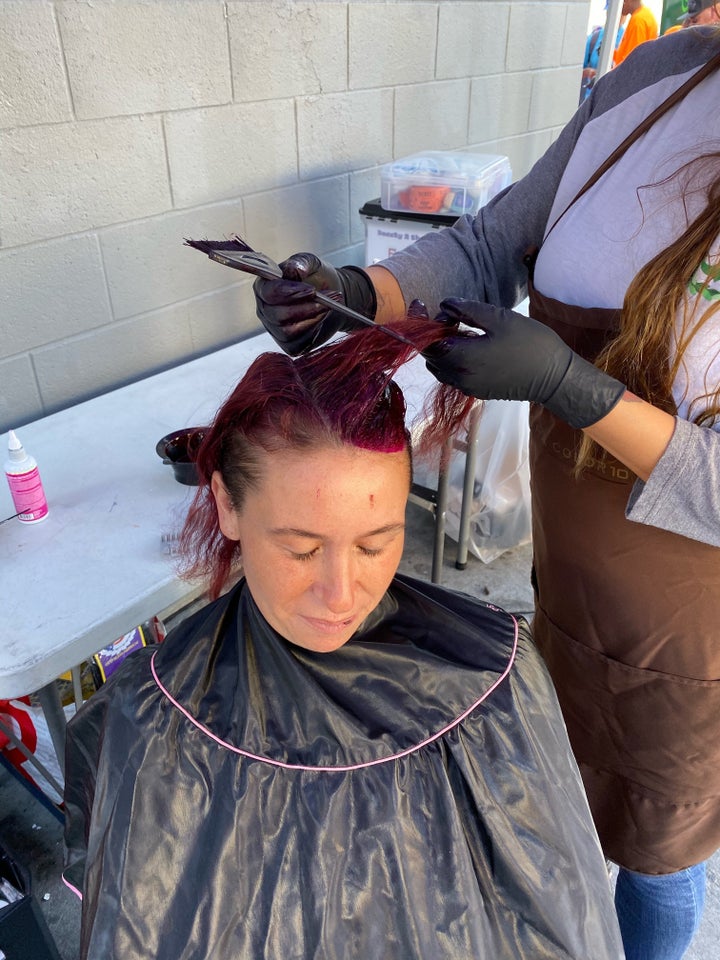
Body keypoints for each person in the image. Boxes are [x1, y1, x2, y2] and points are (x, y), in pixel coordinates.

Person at [251, 25, 720, 960]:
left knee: (661, 849)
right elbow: (492, 239)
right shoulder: (662, 78)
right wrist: (357, 289)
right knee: (578, 803)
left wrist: (575, 390)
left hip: (693, 629)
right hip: (573, 582)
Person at [61, 318, 622, 959]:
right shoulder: (148, 716)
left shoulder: (496, 682)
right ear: (227, 505)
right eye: (301, 548)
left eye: (376, 543)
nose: (342, 592)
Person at [613, 0, 659, 65]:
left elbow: (633, 59)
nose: (619, 6)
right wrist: (612, 53)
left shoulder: (638, 21)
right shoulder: (645, 14)